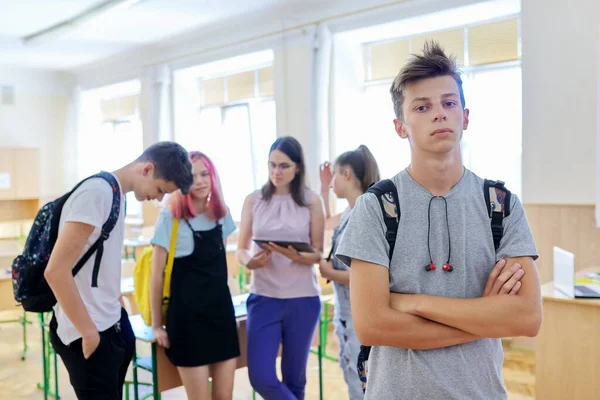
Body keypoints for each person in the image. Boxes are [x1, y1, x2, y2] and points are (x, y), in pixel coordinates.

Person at [335, 41, 542, 399]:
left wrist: (413, 302)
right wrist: (484, 318)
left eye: (449, 103)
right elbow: (371, 326)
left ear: (465, 116)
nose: (439, 114)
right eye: (422, 106)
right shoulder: (376, 207)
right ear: (401, 126)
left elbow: (526, 318)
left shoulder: (501, 204)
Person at [46, 141, 194, 399]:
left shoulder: (116, 195)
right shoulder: (97, 192)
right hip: (88, 332)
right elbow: (56, 271)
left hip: (110, 324)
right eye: (160, 190)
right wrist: (89, 333)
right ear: (147, 169)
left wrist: (117, 309)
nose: (158, 199)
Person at [236, 136, 325, 400]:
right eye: (272, 165)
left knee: (295, 379)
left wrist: (293, 255)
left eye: (284, 166)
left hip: (303, 299)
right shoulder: (253, 200)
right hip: (264, 298)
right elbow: (241, 249)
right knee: (261, 377)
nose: (276, 171)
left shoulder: (312, 201)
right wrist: (249, 261)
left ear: (297, 167)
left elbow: (318, 254)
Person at [150, 151, 239, 400]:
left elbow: (223, 271)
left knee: (224, 396)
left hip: (221, 316)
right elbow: (156, 276)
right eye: (192, 176)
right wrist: (157, 325)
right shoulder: (170, 217)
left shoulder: (221, 215)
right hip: (187, 323)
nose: (200, 181)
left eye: (205, 174)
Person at [318, 145, 380, 400]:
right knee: (352, 377)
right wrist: (323, 191)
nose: (331, 182)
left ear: (346, 175)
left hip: (358, 315)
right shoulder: (349, 211)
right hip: (346, 313)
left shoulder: (362, 214)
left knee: (361, 383)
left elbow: (362, 277)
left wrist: (328, 272)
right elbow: (325, 223)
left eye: (334, 176)